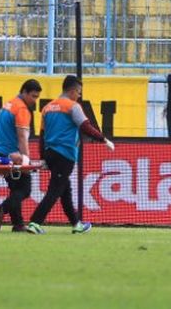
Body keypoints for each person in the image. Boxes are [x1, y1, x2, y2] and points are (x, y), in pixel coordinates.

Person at [26, 75, 115, 235]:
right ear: (73, 90)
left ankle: (76, 224)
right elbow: (85, 126)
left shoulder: (47, 107)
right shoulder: (72, 106)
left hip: (50, 153)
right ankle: (34, 222)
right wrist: (103, 139)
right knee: (55, 190)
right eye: (79, 92)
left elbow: (42, 135)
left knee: (65, 190)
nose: (79, 96)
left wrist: (43, 157)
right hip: (65, 154)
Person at [0, 79, 42, 233]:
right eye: (33, 96)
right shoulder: (21, 109)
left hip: (0, 152)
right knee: (25, 190)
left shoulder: (9, 104)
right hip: (13, 155)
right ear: (24, 92)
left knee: (15, 189)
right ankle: (1, 209)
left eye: (37, 97)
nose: (34, 100)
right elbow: (22, 138)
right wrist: (25, 160)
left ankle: (18, 224)